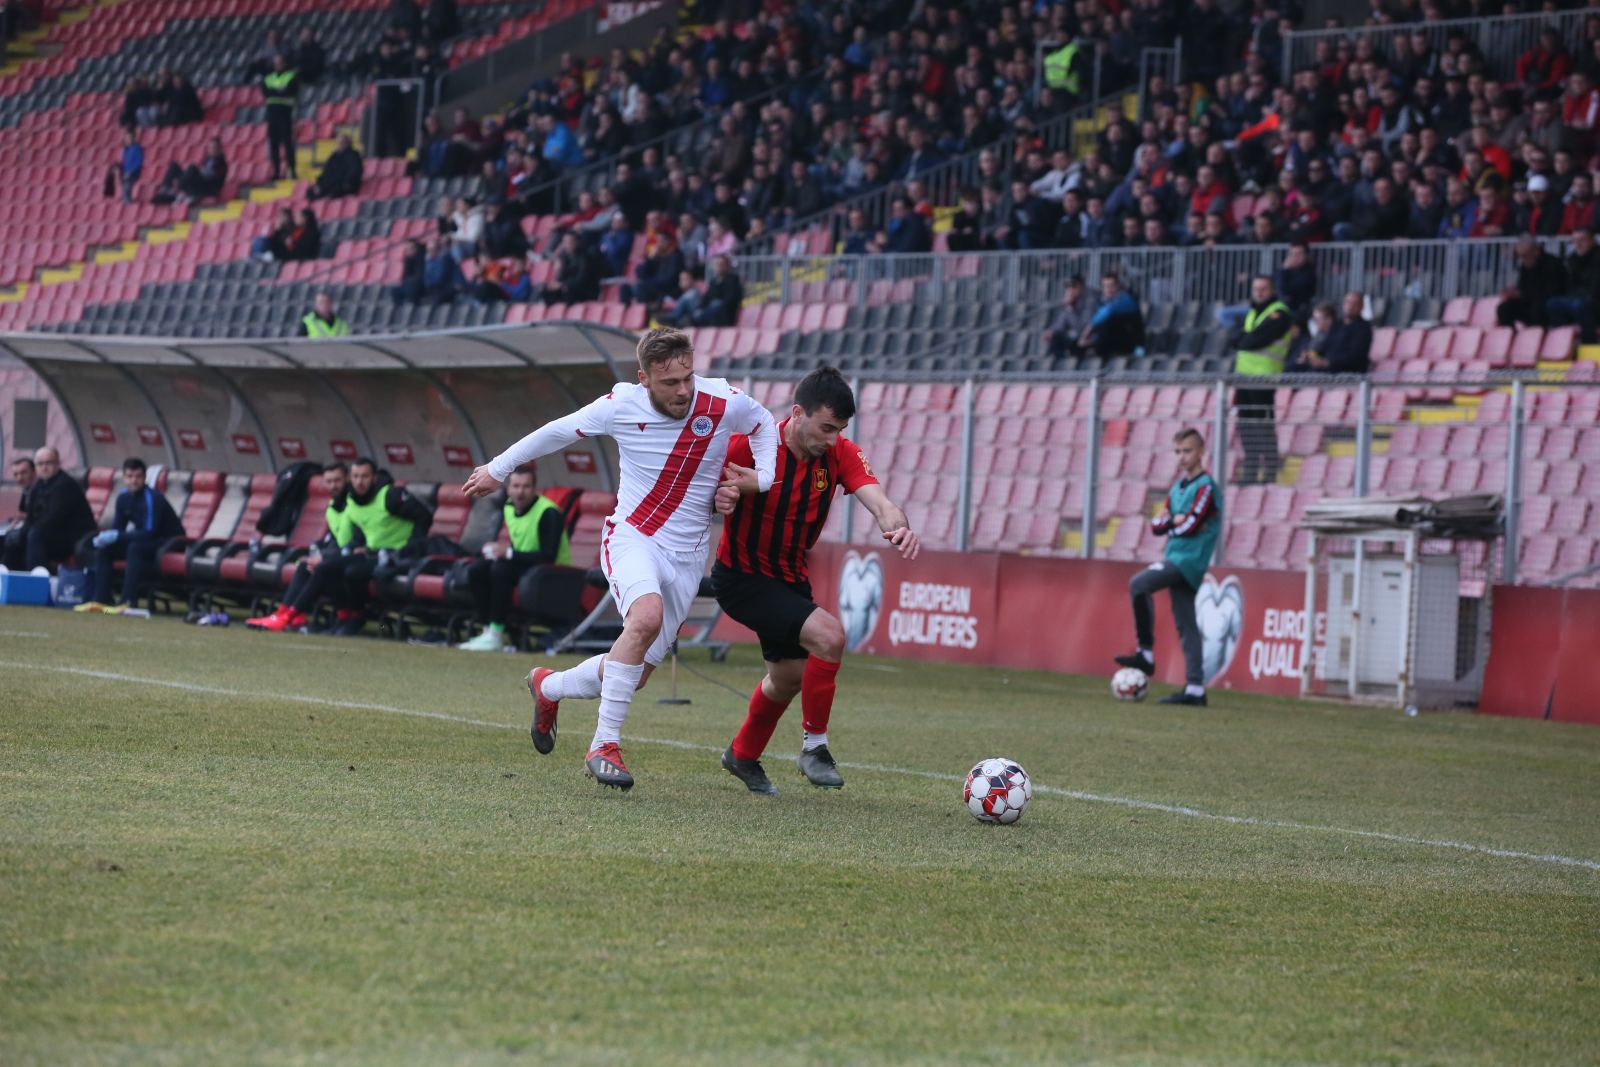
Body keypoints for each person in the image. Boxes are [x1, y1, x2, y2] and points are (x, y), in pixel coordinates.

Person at [462, 327, 778, 791]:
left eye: (688, 377)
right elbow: (556, 431)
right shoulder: (621, 405)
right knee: (645, 617)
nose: (683, 391)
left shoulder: (720, 400)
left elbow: (764, 422)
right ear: (644, 379)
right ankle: (604, 745)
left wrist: (761, 479)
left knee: (635, 674)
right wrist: (498, 468)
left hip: (689, 555)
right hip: (634, 537)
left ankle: (548, 686)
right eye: (670, 382)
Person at [711, 367, 920, 796]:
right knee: (830, 637)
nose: (832, 438)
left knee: (788, 678)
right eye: (826, 427)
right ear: (797, 414)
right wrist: (721, 497)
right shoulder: (750, 445)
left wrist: (898, 526)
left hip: (790, 580)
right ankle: (814, 749)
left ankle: (742, 755)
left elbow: (880, 502)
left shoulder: (840, 453)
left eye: (839, 430)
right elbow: (701, 493)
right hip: (742, 577)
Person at [1114, 428, 1223, 707]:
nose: (1182, 457)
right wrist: (1174, 520)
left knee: (1139, 584)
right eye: (1177, 451)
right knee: (1187, 623)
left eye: (1187, 451)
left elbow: (1191, 525)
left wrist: (1172, 522)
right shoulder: (1177, 488)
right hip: (1176, 556)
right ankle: (1195, 689)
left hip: (1189, 560)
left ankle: (1145, 653)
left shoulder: (1206, 487)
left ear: (1201, 452)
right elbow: (1156, 525)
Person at [458, 467, 571, 651]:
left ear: (535, 489)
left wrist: (508, 553)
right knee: (478, 569)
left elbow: (548, 556)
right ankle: (487, 630)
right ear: (508, 489)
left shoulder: (549, 513)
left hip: (551, 574)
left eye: (526, 486)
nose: (520, 492)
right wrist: (497, 552)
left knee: (501, 569)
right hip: (525, 565)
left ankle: (496, 634)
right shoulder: (509, 507)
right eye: (516, 486)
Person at [329, 456, 433, 636]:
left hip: (396, 555)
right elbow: (361, 528)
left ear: (374, 478)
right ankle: (342, 616)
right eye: (355, 477)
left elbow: (424, 516)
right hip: (373, 552)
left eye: (364, 476)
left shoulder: (390, 495)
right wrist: (358, 545)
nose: (359, 482)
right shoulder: (352, 499)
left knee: (352, 572)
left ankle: (357, 616)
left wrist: (411, 547)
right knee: (328, 567)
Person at [246, 462, 355, 633]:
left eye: (337, 480)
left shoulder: (354, 504)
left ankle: (288, 617)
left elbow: (355, 541)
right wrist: (320, 551)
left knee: (321, 568)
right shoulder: (333, 506)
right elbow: (335, 539)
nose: (333, 485)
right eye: (329, 481)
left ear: (347, 479)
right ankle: (284, 614)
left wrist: (324, 556)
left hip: (354, 557)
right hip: (340, 556)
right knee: (305, 564)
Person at [74, 457, 182, 614]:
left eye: (138, 476)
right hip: (146, 541)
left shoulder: (153, 498)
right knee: (106, 550)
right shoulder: (123, 498)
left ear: (144, 478)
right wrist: (106, 538)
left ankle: (127, 601)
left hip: (168, 542)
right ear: (124, 478)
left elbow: (150, 531)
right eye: (130, 476)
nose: (134, 481)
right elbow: (118, 529)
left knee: (134, 548)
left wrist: (117, 536)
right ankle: (101, 599)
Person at [1232, 274, 1294, 485]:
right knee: (1246, 425)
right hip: (1244, 377)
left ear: (1273, 290)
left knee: (1263, 426)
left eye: (1263, 288)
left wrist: (1243, 340)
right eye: (1256, 288)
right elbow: (1237, 337)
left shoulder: (1279, 313)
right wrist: (1244, 340)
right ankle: (1250, 472)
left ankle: (1269, 473)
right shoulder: (1253, 312)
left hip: (1264, 377)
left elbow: (1255, 340)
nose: (1259, 292)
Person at [22, 447, 96, 572]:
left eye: (48, 463)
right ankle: (9, 577)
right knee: (14, 538)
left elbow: (53, 518)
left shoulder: (65, 485)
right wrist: (22, 531)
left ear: (58, 464)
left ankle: (37, 578)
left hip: (74, 537)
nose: (44, 467)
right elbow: (31, 515)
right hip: (53, 533)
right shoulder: (39, 484)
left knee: (35, 535)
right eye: (40, 464)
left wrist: (30, 529)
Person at [1498, 234, 1568, 328]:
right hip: (1530, 301)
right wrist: (1514, 293)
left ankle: (1540, 333)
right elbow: (1523, 287)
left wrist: (1523, 294)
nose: (1523, 259)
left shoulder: (1552, 264)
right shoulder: (1525, 266)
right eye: (1521, 256)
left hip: (1548, 303)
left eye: (1525, 255)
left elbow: (1552, 291)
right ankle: (1510, 334)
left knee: (1538, 307)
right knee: (1504, 308)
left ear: (1536, 251)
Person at [1300, 293, 1372, 374]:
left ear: (1362, 307)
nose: (1350, 306)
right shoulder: (1337, 325)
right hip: (1326, 370)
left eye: (1355, 303)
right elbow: (1325, 346)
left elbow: (1355, 357)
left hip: (1347, 373)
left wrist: (1327, 362)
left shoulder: (1363, 329)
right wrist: (1310, 356)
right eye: (1348, 302)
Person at [1077, 272, 1144, 358]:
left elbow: (1108, 311)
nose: (1108, 289)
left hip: (1132, 344)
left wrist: (1086, 333)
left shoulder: (1127, 299)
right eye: (1105, 286)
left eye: (1111, 286)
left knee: (1107, 324)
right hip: (1113, 341)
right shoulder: (1104, 301)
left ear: (1118, 286)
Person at [262, 53, 299, 181]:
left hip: (285, 114)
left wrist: (275, 91)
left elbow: (291, 91)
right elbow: (266, 92)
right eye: (276, 63)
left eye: (280, 62)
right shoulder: (268, 78)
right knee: (274, 145)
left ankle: (292, 170)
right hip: (272, 115)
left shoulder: (291, 76)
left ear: (284, 63)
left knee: (288, 144)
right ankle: (276, 172)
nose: (278, 65)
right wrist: (280, 91)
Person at [1044, 276, 1098, 359]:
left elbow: (1084, 326)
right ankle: (1056, 361)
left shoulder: (1091, 299)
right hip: (1079, 337)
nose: (1070, 290)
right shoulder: (1073, 299)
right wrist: (1052, 331)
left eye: (1074, 286)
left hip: (1092, 337)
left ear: (1082, 286)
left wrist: (1070, 308)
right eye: (1068, 287)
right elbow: (1061, 323)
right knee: (1056, 337)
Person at [2, 455, 36, 570]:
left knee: (11, 540)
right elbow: (22, 513)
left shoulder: (40, 489)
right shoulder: (26, 491)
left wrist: (24, 517)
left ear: (34, 472)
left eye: (23, 473)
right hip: (25, 529)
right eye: (16, 474)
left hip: (35, 534)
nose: (19, 478)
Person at [308, 134, 363, 200]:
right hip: (330, 184)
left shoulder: (353, 155)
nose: (339, 144)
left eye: (342, 142)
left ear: (348, 143)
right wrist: (319, 184)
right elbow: (326, 172)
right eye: (338, 143)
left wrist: (347, 183)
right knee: (310, 191)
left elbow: (355, 171)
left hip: (343, 185)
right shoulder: (334, 156)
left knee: (335, 190)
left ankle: (327, 199)